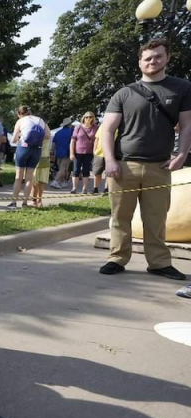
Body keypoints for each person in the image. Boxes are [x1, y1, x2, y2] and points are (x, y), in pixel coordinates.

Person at [99, 37, 191, 280]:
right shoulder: (124, 93)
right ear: (140, 62)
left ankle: (159, 263)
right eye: (147, 58)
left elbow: (187, 124)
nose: (153, 61)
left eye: (158, 56)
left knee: (157, 218)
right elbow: (107, 129)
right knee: (120, 217)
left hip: (159, 166)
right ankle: (117, 258)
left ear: (167, 58)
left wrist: (181, 154)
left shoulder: (182, 88)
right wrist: (109, 160)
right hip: (123, 165)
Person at [8, 105, 50, 209]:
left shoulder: (21, 121)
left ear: (19, 114)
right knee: (29, 178)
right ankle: (25, 202)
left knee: (18, 177)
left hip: (23, 148)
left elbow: (13, 140)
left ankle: (14, 202)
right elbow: (48, 135)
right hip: (36, 149)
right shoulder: (40, 120)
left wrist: (21, 137)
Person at [70, 112, 98, 194]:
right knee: (76, 170)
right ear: (83, 118)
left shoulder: (95, 128)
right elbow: (72, 141)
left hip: (89, 152)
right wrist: (71, 153)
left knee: (86, 170)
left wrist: (95, 152)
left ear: (93, 118)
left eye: (90, 117)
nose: (88, 119)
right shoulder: (78, 127)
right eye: (86, 117)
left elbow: (98, 139)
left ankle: (84, 188)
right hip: (78, 152)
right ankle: (74, 188)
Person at [50, 117, 73, 189]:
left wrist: (52, 152)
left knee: (61, 168)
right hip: (67, 152)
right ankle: (56, 181)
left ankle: (63, 182)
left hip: (58, 153)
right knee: (64, 168)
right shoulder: (71, 132)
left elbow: (54, 143)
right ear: (69, 124)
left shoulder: (58, 133)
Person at [31, 141, 51, 208]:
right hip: (45, 156)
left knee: (33, 180)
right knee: (41, 180)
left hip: (34, 155)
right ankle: (39, 201)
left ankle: (34, 201)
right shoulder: (47, 130)